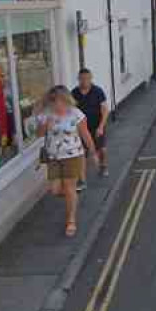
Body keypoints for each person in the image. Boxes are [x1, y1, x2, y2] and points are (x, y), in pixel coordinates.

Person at [34, 86, 98, 237]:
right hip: (53, 158)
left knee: (69, 188)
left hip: (73, 156)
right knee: (54, 190)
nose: (57, 104)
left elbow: (85, 134)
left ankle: (71, 220)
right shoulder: (46, 114)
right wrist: (45, 125)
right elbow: (38, 135)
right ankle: (73, 195)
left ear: (66, 99)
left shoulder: (75, 114)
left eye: (60, 101)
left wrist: (93, 153)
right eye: (54, 101)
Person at [71, 69, 109, 190]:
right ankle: (82, 180)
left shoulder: (98, 91)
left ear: (91, 78)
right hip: (81, 127)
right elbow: (71, 111)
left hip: (97, 126)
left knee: (101, 149)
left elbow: (105, 110)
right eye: (82, 79)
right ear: (78, 79)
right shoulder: (74, 93)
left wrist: (101, 126)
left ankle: (103, 165)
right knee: (81, 153)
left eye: (87, 78)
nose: (84, 81)